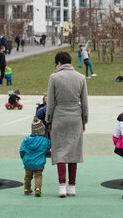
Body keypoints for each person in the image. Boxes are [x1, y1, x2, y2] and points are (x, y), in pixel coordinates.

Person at [46, 52, 89, 197]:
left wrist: (49, 120)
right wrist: (84, 120)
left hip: (59, 116)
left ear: (59, 63)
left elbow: (51, 102)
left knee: (60, 151)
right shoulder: (81, 77)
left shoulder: (54, 77)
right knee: (73, 151)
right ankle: (72, 186)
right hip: (76, 116)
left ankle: (62, 186)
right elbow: (85, 102)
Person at [19, 120, 51, 197]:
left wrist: (23, 157)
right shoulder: (43, 141)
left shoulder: (26, 140)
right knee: (38, 176)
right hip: (39, 163)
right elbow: (49, 145)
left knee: (28, 176)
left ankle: (26, 189)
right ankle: (37, 189)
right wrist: (50, 136)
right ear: (41, 131)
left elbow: (21, 150)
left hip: (28, 162)